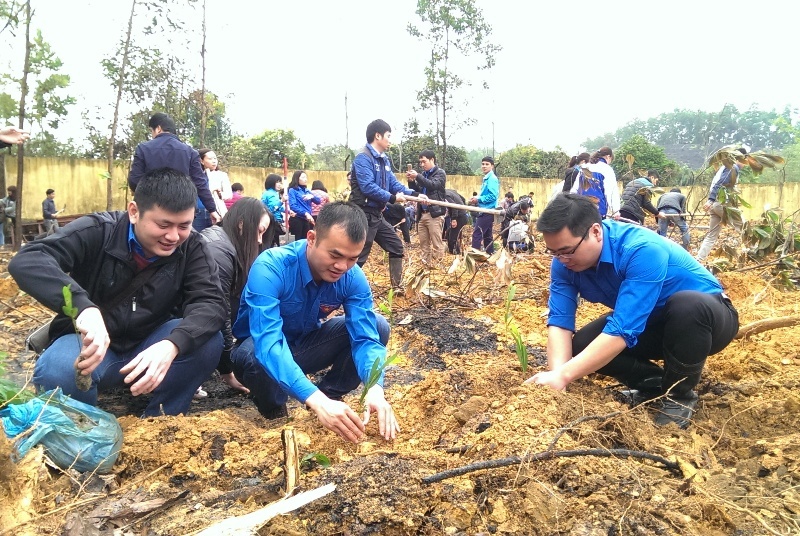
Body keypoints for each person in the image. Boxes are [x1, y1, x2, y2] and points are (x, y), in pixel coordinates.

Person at [9, 168, 226, 417]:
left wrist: (172, 344)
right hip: (92, 348)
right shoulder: (98, 231)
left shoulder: (193, 247)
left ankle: (162, 422)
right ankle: (85, 431)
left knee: (208, 340)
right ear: (134, 212)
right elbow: (28, 261)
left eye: (183, 226)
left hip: (151, 344)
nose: (173, 236)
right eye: (163, 225)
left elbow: (210, 303)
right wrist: (85, 308)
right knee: (57, 369)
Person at [526, 193, 739, 428]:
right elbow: (560, 323)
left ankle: (678, 396)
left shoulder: (640, 249)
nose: (561, 259)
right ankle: (655, 385)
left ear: (596, 232)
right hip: (652, 324)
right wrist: (559, 378)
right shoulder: (564, 264)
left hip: (708, 321)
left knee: (687, 305)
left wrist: (564, 375)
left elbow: (623, 329)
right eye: (554, 252)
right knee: (583, 344)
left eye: (567, 250)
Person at [231, 202, 399, 443]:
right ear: (311, 238)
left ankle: (330, 395)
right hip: (259, 352)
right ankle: (275, 411)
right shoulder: (272, 267)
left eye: (353, 258)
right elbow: (268, 343)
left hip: (305, 346)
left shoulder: (351, 277)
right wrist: (314, 397)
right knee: (255, 356)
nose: (342, 266)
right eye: (335, 255)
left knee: (379, 326)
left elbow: (365, 338)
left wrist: (375, 388)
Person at [200, 198, 271, 395]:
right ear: (241, 224)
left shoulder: (224, 242)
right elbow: (219, 310)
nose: (259, 240)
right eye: (259, 231)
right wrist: (227, 369)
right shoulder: (218, 251)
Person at [348, 119, 425, 289]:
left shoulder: (384, 160)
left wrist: (416, 194)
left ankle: (396, 288)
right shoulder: (363, 158)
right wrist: (392, 198)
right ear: (378, 135)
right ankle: (342, 289)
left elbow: (394, 184)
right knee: (358, 256)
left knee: (396, 246)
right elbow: (368, 187)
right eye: (388, 136)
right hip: (362, 214)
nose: (390, 140)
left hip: (376, 214)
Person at [127, 112, 221, 231]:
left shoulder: (144, 148)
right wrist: (212, 209)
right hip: (181, 212)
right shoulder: (190, 152)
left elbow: (135, 180)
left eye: (152, 131)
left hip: (152, 210)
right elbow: (200, 184)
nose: (152, 135)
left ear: (158, 128)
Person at [696, 149, 748, 261]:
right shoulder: (732, 168)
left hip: (715, 205)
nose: (745, 164)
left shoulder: (724, 168)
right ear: (739, 159)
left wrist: (711, 201)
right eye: (745, 160)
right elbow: (720, 184)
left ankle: (699, 259)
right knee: (744, 227)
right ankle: (755, 250)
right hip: (722, 203)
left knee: (711, 235)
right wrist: (710, 200)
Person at [406, 149, 447, 266]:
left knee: (437, 243)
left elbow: (433, 185)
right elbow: (418, 191)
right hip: (422, 213)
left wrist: (417, 176)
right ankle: (426, 267)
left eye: (424, 161)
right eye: (420, 162)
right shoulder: (424, 175)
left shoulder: (440, 173)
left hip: (434, 214)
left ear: (432, 159)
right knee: (424, 244)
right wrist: (411, 181)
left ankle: (438, 268)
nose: (422, 165)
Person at [570, 146, 620, 219]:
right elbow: (611, 192)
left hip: (580, 210)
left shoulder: (584, 168)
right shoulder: (607, 169)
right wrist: (615, 211)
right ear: (608, 157)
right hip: (598, 211)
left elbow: (574, 190)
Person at [469, 156, 500, 253]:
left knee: (477, 234)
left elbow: (493, 196)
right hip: (484, 210)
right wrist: (477, 198)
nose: (484, 166)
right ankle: (490, 253)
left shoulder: (492, 179)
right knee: (487, 235)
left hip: (487, 210)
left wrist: (478, 199)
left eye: (487, 164)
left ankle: (474, 255)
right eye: (483, 164)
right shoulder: (487, 178)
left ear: (492, 166)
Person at [199, 148, 232, 218]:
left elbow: (229, 195)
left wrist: (220, 194)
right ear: (201, 161)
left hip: (218, 211)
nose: (214, 161)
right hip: (199, 213)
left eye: (215, 158)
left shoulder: (222, 175)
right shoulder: (197, 176)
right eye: (210, 159)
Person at [287, 170, 320, 242]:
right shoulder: (292, 190)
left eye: (306, 177)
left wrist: (312, 196)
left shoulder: (307, 190)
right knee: (297, 242)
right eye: (303, 177)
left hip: (306, 220)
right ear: (297, 178)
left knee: (306, 242)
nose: (306, 179)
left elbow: (318, 201)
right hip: (297, 220)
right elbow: (293, 205)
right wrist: (305, 213)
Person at [262, 173, 286, 248]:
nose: (280, 184)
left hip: (276, 221)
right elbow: (272, 208)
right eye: (277, 182)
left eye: (280, 182)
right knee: (280, 243)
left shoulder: (275, 194)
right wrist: (281, 201)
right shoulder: (269, 194)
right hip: (273, 222)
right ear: (272, 182)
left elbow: (277, 208)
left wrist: (287, 211)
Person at [443, 189, 468, 255]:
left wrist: (454, 219)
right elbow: (463, 199)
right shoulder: (452, 191)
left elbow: (454, 207)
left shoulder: (445, 195)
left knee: (452, 237)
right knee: (448, 232)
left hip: (458, 217)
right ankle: (454, 250)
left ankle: (455, 253)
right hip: (462, 215)